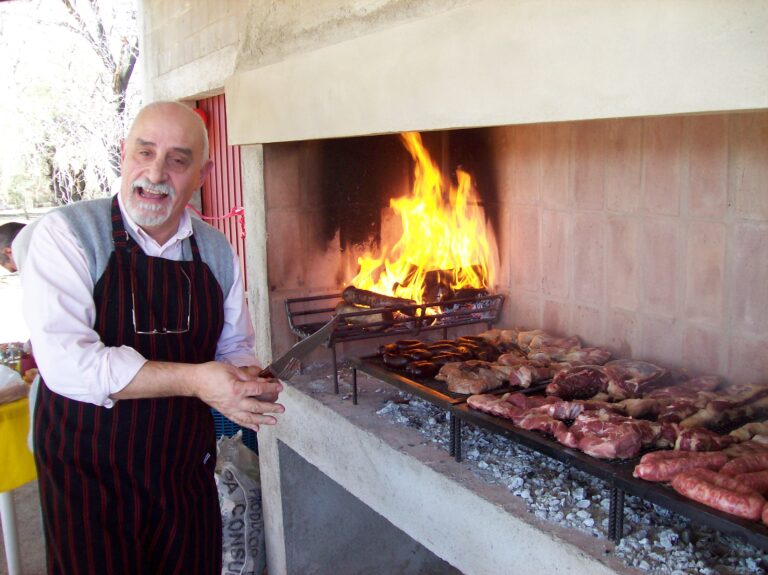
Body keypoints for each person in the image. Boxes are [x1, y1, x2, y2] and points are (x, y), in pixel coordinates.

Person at [19, 101, 284, 574]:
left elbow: (233, 344)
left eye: (178, 160)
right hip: (89, 480)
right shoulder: (68, 235)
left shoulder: (216, 252)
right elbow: (68, 364)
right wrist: (198, 382)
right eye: (145, 152)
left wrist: (244, 379)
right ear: (125, 155)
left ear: (201, 176)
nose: (156, 172)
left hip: (184, 474)